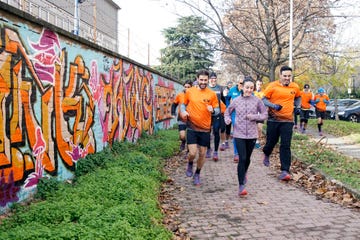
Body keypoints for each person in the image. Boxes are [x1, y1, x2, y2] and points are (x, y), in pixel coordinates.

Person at [224, 76, 268, 196]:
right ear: (242, 87)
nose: (249, 90)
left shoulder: (257, 101)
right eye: (247, 87)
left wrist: (254, 117)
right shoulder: (236, 100)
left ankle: (244, 172)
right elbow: (227, 112)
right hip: (239, 134)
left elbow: (264, 114)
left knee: (247, 159)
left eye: (251, 88)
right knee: (242, 158)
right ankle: (241, 185)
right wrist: (228, 120)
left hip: (252, 135)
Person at [262, 66, 301, 181]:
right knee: (271, 142)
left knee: (285, 145)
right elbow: (263, 99)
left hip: (288, 120)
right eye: (285, 76)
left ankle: (285, 171)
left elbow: (298, 97)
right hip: (273, 119)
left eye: (289, 76)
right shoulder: (272, 86)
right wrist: (274, 106)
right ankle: (266, 152)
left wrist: (298, 107)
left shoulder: (295, 86)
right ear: (280, 75)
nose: (287, 78)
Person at [180, 69, 219, 186]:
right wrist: (183, 111)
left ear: (208, 80)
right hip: (192, 126)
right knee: (192, 153)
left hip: (205, 128)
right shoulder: (190, 92)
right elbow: (183, 104)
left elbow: (217, 109)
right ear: (197, 79)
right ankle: (190, 163)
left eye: (205, 80)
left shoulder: (211, 94)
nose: (203, 82)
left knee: (202, 153)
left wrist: (213, 111)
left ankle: (197, 173)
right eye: (201, 80)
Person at [207, 72, 227, 161]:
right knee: (207, 132)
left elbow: (224, 101)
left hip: (217, 113)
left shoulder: (220, 88)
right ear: (209, 79)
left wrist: (224, 112)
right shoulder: (206, 88)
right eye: (211, 78)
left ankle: (215, 152)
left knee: (216, 131)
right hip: (206, 113)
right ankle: (208, 148)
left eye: (214, 78)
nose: (213, 80)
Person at [225, 76, 244, 162]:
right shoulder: (232, 90)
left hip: (245, 115)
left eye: (243, 83)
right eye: (241, 83)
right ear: (237, 83)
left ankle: (243, 152)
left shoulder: (247, 90)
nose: (242, 85)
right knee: (237, 132)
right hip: (234, 114)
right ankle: (236, 153)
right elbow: (227, 98)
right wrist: (229, 107)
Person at [171, 80, 192, 151]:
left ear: (191, 87)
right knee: (182, 135)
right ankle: (183, 142)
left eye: (188, 87)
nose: (186, 88)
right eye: (185, 87)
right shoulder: (180, 95)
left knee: (190, 136)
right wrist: (173, 113)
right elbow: (174, 105)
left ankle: (189, 150)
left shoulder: (194, 96)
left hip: (191, 119)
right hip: (181, 118)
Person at [253, 78, 265, 149]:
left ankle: (257, 141)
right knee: (253, 128)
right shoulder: (252, 92)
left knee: (259, 128)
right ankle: (252, 141)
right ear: (256, 84)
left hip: (261, 113)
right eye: (258, 84)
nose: (259, 86)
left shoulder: (263, 93)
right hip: (253, 113)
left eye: (260, 84)